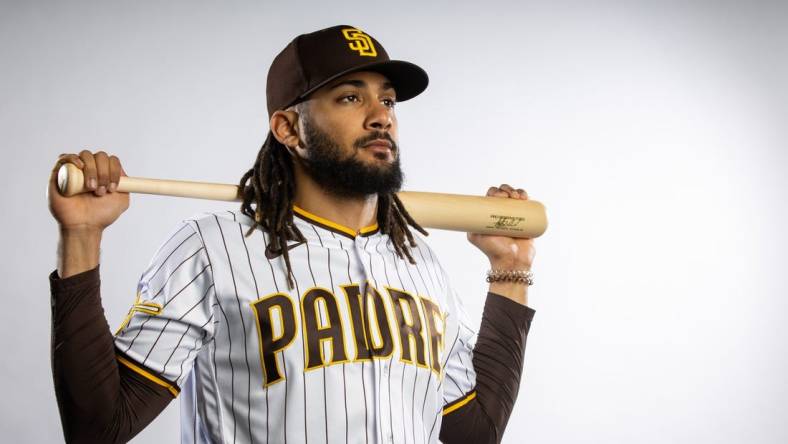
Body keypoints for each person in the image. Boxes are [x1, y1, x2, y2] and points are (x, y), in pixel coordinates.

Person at [47, 25, 537, 444]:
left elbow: (473, 433)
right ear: (288, 128)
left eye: (387, 99)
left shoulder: (419, 263)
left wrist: (509, 269)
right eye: (350, 96)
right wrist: (82, 237)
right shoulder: (212, 250)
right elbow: (99, 428)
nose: (381, 114)